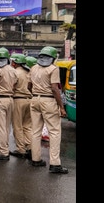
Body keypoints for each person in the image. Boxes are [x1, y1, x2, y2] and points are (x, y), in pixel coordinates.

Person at [28, 46, 68, 174]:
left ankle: (36, 159)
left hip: (34, 99)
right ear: (52, 58)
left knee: (35, 131)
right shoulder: (53, 69)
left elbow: (29, 86)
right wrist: (61, 107)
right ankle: (55, 164)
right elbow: (55, 88)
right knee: (55, 132)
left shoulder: (33, 68)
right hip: (49, 100)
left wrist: (36, 94)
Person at [9, 53, 33, 159]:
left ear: (14, 63)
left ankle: (21, 150)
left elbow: (12, 87)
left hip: (18, 100)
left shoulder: (15, 73)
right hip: (30, 100)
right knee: (27, 126)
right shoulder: (29, 72)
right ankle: (30, 147)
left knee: (17, 126)